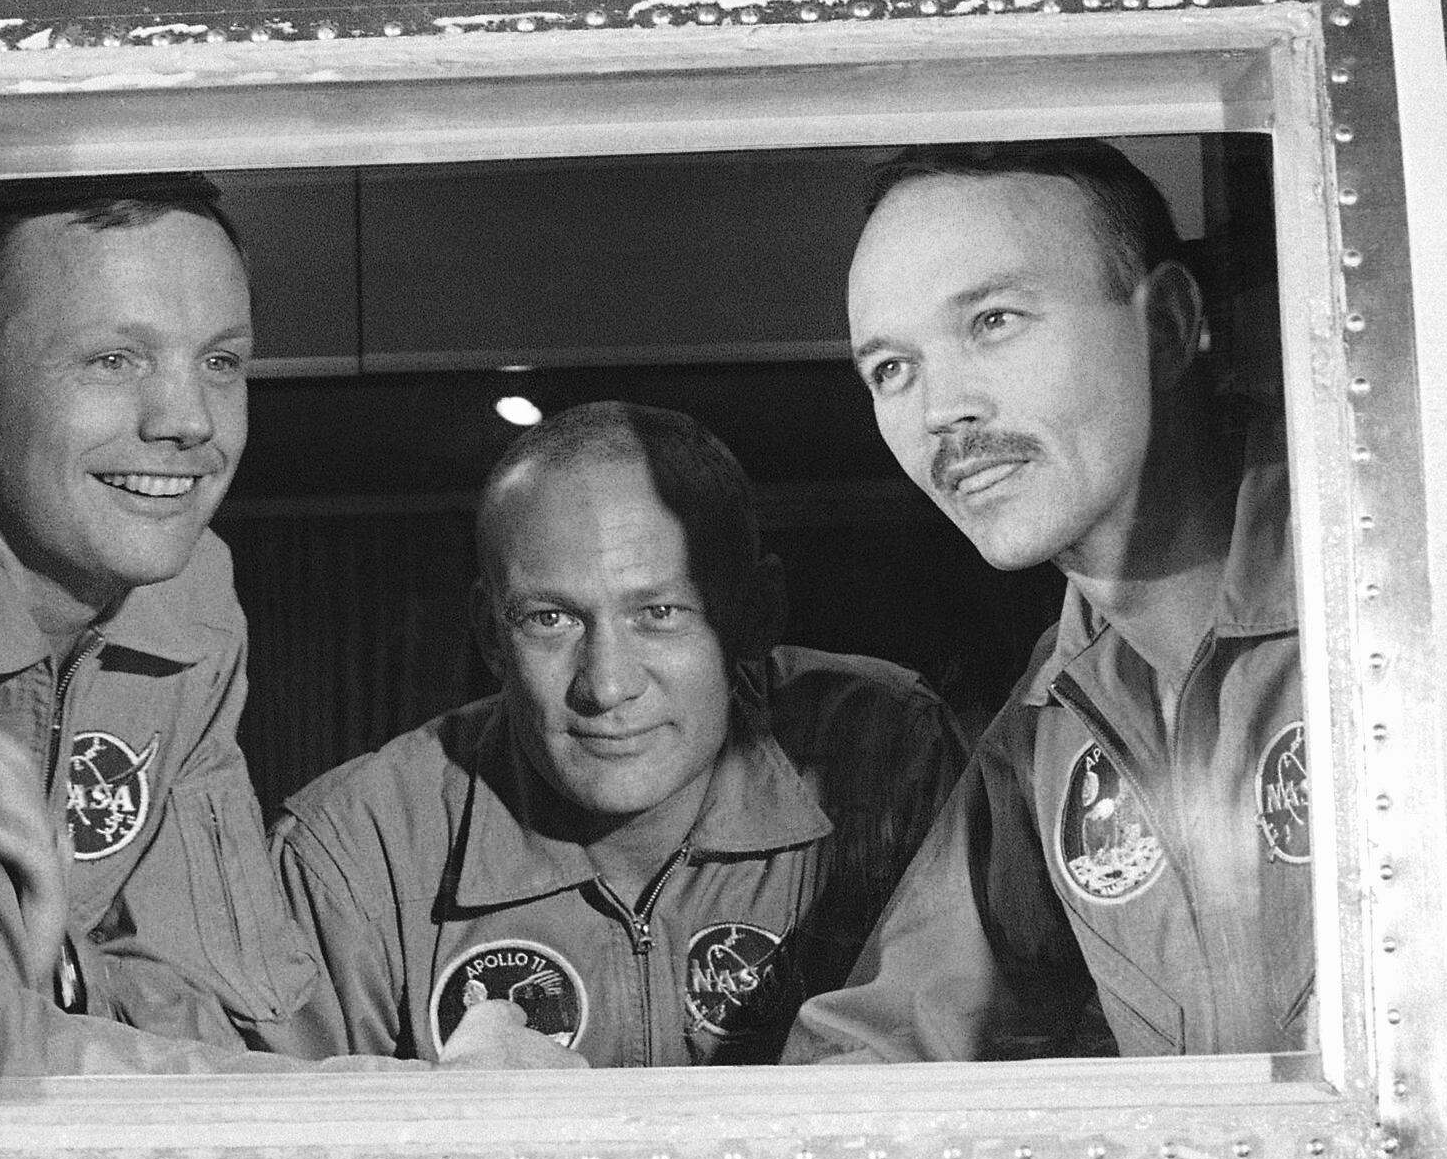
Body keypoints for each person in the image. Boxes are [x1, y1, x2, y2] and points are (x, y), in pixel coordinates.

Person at [0, 174, 571, 1076]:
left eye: (219, 362)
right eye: (113, 360)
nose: (188, 421)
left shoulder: (188, 608)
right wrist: (416, 1108)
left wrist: (54, 965)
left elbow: (213, 1009)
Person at [785, 140, 1312, 1063]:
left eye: (993, 319)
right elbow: (886, 1045)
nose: (942, 407)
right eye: (891, 369)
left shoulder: (1386, 598)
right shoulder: (1049, 716)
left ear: (1167, 325)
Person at [260, 402, 967, 1067]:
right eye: (549, 619)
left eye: (658, 612)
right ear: (488, 635)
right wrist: (437, 1117)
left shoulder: (881, 755)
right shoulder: (360, 848)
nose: (605, 684)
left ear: (756, 612)